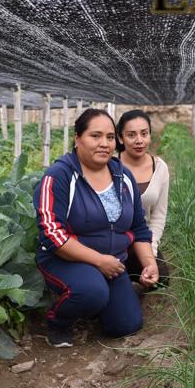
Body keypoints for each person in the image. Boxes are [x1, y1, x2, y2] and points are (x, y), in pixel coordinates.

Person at [34, 108, 158, 348]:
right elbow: (51, 233)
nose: (104, 144)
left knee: (126, 326)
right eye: (96, 136)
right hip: (65, 259)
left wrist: (149, 263)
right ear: (78, 138)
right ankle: (58, 321)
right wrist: (99, 261)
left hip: (111, 263)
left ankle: (95, 305)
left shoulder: (123, 176)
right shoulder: (59, 176)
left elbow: (139, 227)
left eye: (110, 137)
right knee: (92, 291)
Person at [116, 109, 170, 286]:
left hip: (142, 240)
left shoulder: (160, 168)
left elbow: (158, 217)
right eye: (131, 135)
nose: (139, 140)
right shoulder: (110, 165)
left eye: (144, 134)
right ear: (120, 138)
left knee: (160, 279)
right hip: (113, 240)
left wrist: (151, 251)